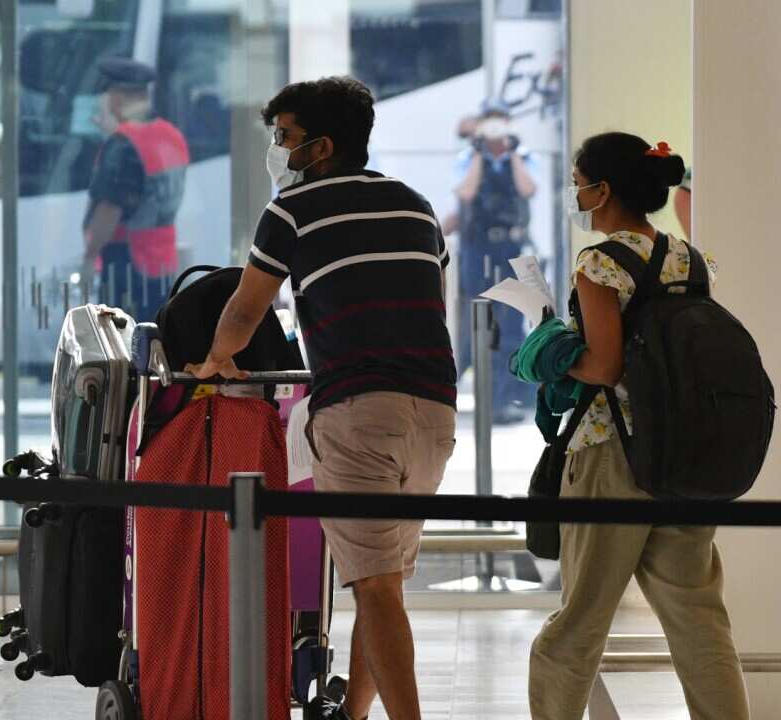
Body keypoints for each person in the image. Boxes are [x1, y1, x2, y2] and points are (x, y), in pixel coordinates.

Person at [187, 77, 457, 720]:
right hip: (436, 411)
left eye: (284, 137)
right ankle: (352, 715)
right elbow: (430, 303)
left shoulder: (292, 209)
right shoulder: (416, 205)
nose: (277, 150)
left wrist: (216, 360)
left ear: (322, 146)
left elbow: (246, 307)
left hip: (359, 408)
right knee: (381, 585)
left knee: (376, 586)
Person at [525, 133, 748, 719]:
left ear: (603, 190)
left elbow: (604, 365)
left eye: (578, 183)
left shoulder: (599, 263)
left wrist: (550, 349)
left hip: (610, 453)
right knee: (698, 619)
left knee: (579, 621)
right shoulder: (693, 260)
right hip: (684, 453)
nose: (575, 193)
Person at [82, 57, 189, 322]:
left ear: (116, 99)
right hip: (162, 262)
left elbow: (109, 209)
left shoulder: (122, 145)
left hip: (126, 264)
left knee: (123, 343)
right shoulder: (171, 135)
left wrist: (89, 256)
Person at [453, 99, 538, 424]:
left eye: (500, 119)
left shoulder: (523, 156)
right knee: (481, 320)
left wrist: (512, 152)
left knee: (513, 322)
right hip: (478, 247)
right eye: (490, 119)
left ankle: (509, 397)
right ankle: (487, 401)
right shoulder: (468, 158)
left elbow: (528, 188)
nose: (495, 126)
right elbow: (466, 193)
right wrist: (478, 152)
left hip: (512, 246)